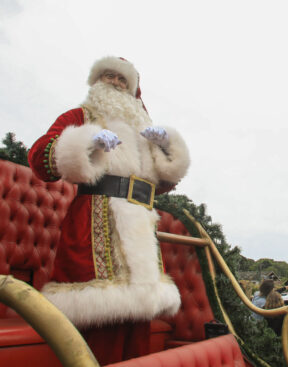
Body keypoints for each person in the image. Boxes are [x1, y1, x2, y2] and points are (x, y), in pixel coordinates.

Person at [28, 56, 190, 364]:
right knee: (100, 321)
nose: (114, 83)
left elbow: (164, 185)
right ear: (96, 81)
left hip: (141, 228)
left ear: (133, 90)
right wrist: (86, 141)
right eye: (108, 76)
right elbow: (39, 157)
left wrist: (167, 148)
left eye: (122, 80)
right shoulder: (81, 115)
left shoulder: (144, 128)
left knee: (138, 322)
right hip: (95, 224)